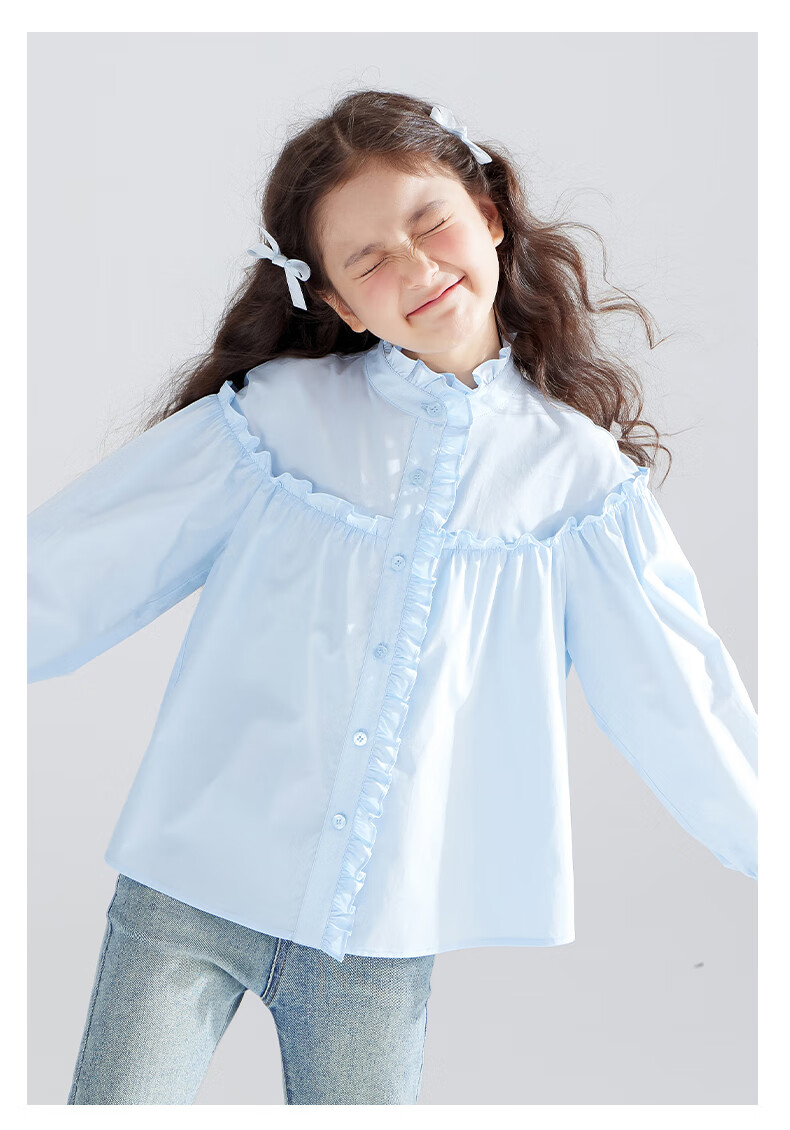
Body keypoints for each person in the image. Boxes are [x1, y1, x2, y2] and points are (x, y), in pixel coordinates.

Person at [28, 90, 758, 1105]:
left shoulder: (578, 484)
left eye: (430, 222)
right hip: (190, 886)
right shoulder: (274, 422)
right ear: (336, 303)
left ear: (489, 215)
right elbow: (72, 569)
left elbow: (677, 697)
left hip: (378, 935)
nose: (414, 268)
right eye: (368, 260)